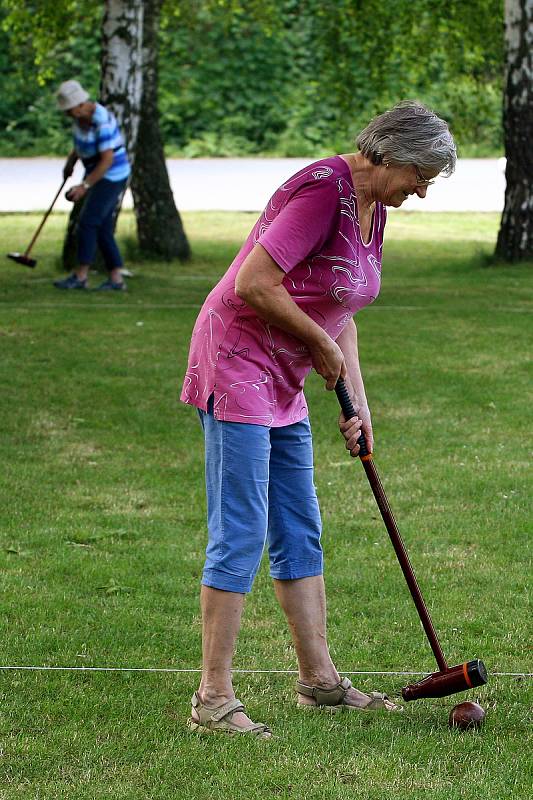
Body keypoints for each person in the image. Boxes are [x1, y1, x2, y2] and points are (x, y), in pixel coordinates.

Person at [181, 101, 457, 738]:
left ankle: (319, 682)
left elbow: (343, 313)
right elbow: (254, 282)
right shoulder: (322, 190)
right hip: (237, 361)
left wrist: (357, 404)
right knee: (242, 530)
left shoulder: (375, 209)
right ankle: (213, 698)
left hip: (286, 374)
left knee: (299, 526)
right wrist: (320, 343)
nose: (422, 188)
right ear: (386, 153)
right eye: (421, 173)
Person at [53, 79, 130, 291]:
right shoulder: (80, 119)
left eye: (69, 110)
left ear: (80, 105)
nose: (68, 114)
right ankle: (116, 279)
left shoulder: (101, 121)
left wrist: (84, 186)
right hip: (96, 171)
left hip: (112, 175)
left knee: (87, 223)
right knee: (102, 227)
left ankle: (81, 276)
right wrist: (70, 165)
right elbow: (79, 145)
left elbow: (107, 160)